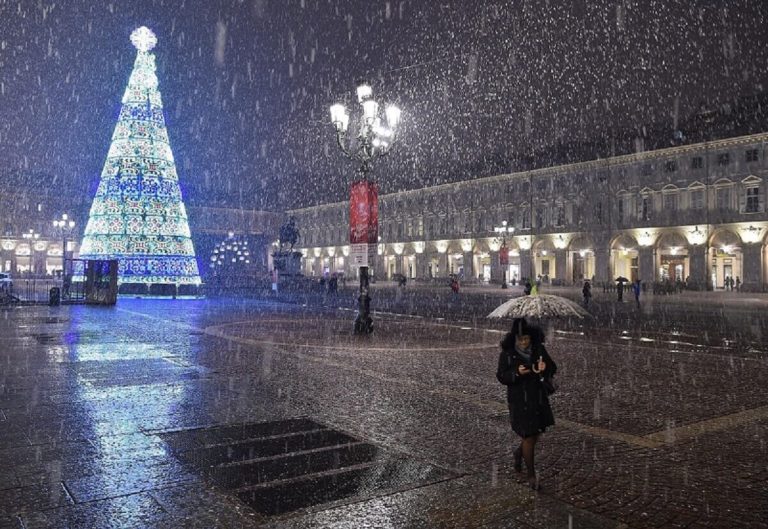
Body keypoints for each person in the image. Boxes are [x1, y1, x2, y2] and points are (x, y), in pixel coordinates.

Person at [496, 318, 557, 490]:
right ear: (514, 338)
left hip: (537, 398)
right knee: (529, 436)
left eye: (526, 339)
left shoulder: (538, 350)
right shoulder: (507, 354)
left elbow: (553, 367)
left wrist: (545, 367)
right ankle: (531, 476)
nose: (523, 343)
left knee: (535, 434)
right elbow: (501, 376)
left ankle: (518, 453)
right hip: (519, 401)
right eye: (520, 339)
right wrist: (516, 372)